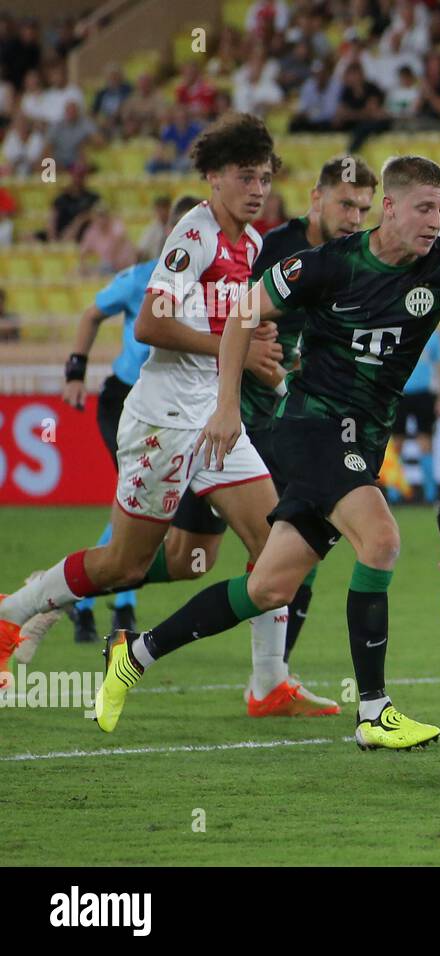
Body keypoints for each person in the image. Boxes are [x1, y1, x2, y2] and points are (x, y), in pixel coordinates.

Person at [93, 156, 440, 752]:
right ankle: (374, 712)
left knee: (267, 589)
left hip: (363, 440)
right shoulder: (331, 265)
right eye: (425, 208)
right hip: (311, 426)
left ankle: (135, 653)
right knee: (381, 539)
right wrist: (226, 406)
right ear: (392, 207)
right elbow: (244, 312)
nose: (436, 220)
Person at [0, 113, 335, 721]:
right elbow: (150, 324)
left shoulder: (252, 245)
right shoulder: (196, 233)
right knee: (124, 564)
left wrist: (261, 363)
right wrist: (232, 346)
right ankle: (13, 612)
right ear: (212, 177)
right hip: (161, 419)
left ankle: (268, 684)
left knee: (274, 543)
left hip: (210, 417)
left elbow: (232, 329)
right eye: (244, 176)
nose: (257, 189)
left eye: (264, 177)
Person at [242, 156, 378, 672]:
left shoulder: (352, 257)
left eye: (364, 208)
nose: (353, 217)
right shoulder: (279, 248)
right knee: (171, 556)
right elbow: (245, 327)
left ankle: (273, 677)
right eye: (345, 203)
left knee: (298, 543)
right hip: (253, 418)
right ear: (315, 198)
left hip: (285, 418)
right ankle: (47, 598)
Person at [59, 195, 204, 645]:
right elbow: (92, 313)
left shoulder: (211, 286)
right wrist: (76, 372)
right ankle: (103, 604)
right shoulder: (142, 280)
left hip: (179, 403)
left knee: (144, 502)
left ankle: (93, 600)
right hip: (127, 400)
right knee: (139, 498)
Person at [394, 329, 440, 504]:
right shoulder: (397, 331)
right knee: (397, 444)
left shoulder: (433, 335)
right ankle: (395, 494)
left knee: (425, 443)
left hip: (423, 394)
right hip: (398, 393)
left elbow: (439, 367)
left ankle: (430, 495)